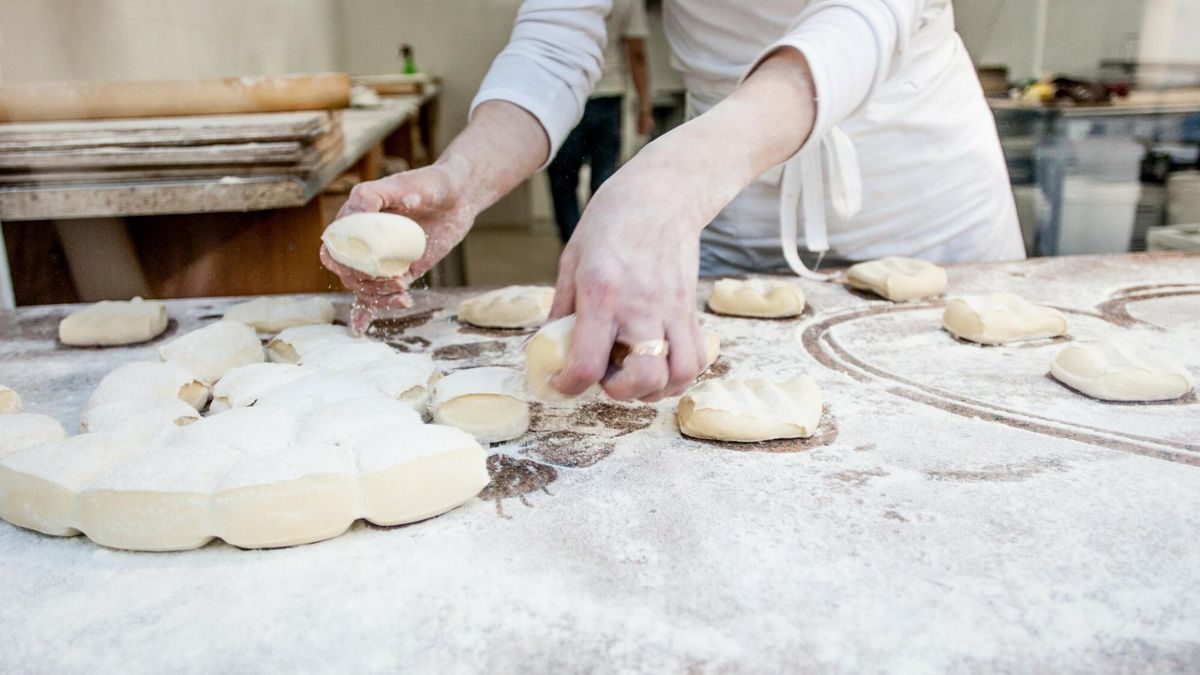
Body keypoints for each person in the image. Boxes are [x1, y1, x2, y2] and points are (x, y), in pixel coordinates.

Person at [322, 0, 1024, 405]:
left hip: (919, 200)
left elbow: (867, 16)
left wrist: (673, 180)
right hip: (727, 210)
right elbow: (555, 45)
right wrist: (465, 175)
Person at [546, 0, 653, 242]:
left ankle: (572, 246)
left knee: (563, 181)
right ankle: (598, 246)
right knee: (603, 181)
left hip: (567, 96)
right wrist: (644, 107)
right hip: (608, 97)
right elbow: (637, 53)